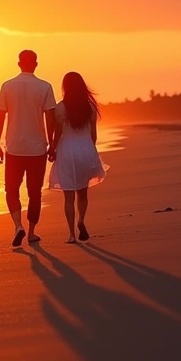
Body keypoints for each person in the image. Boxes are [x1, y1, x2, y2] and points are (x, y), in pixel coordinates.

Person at [0, 50, 57, 248]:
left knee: (11, 190)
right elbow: (50, 118)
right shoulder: (45, 87)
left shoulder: (7, 86)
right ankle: (30, 233)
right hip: (37, 148)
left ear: (18, 63)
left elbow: (0, 117)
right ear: (36, 64)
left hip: (13, 148)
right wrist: (52, 144)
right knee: (34, 192)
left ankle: (17, 226)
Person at [48, 71, 108, 244]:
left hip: (67, 149)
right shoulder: (90, 107)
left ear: (65, 87)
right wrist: (90, 150)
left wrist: (52, 149)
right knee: (82, 191)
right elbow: (93, 134)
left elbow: (57, 133)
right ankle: (81, 220)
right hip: (85, 147)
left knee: (68, 196)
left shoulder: (60, 107)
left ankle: (71, 235)